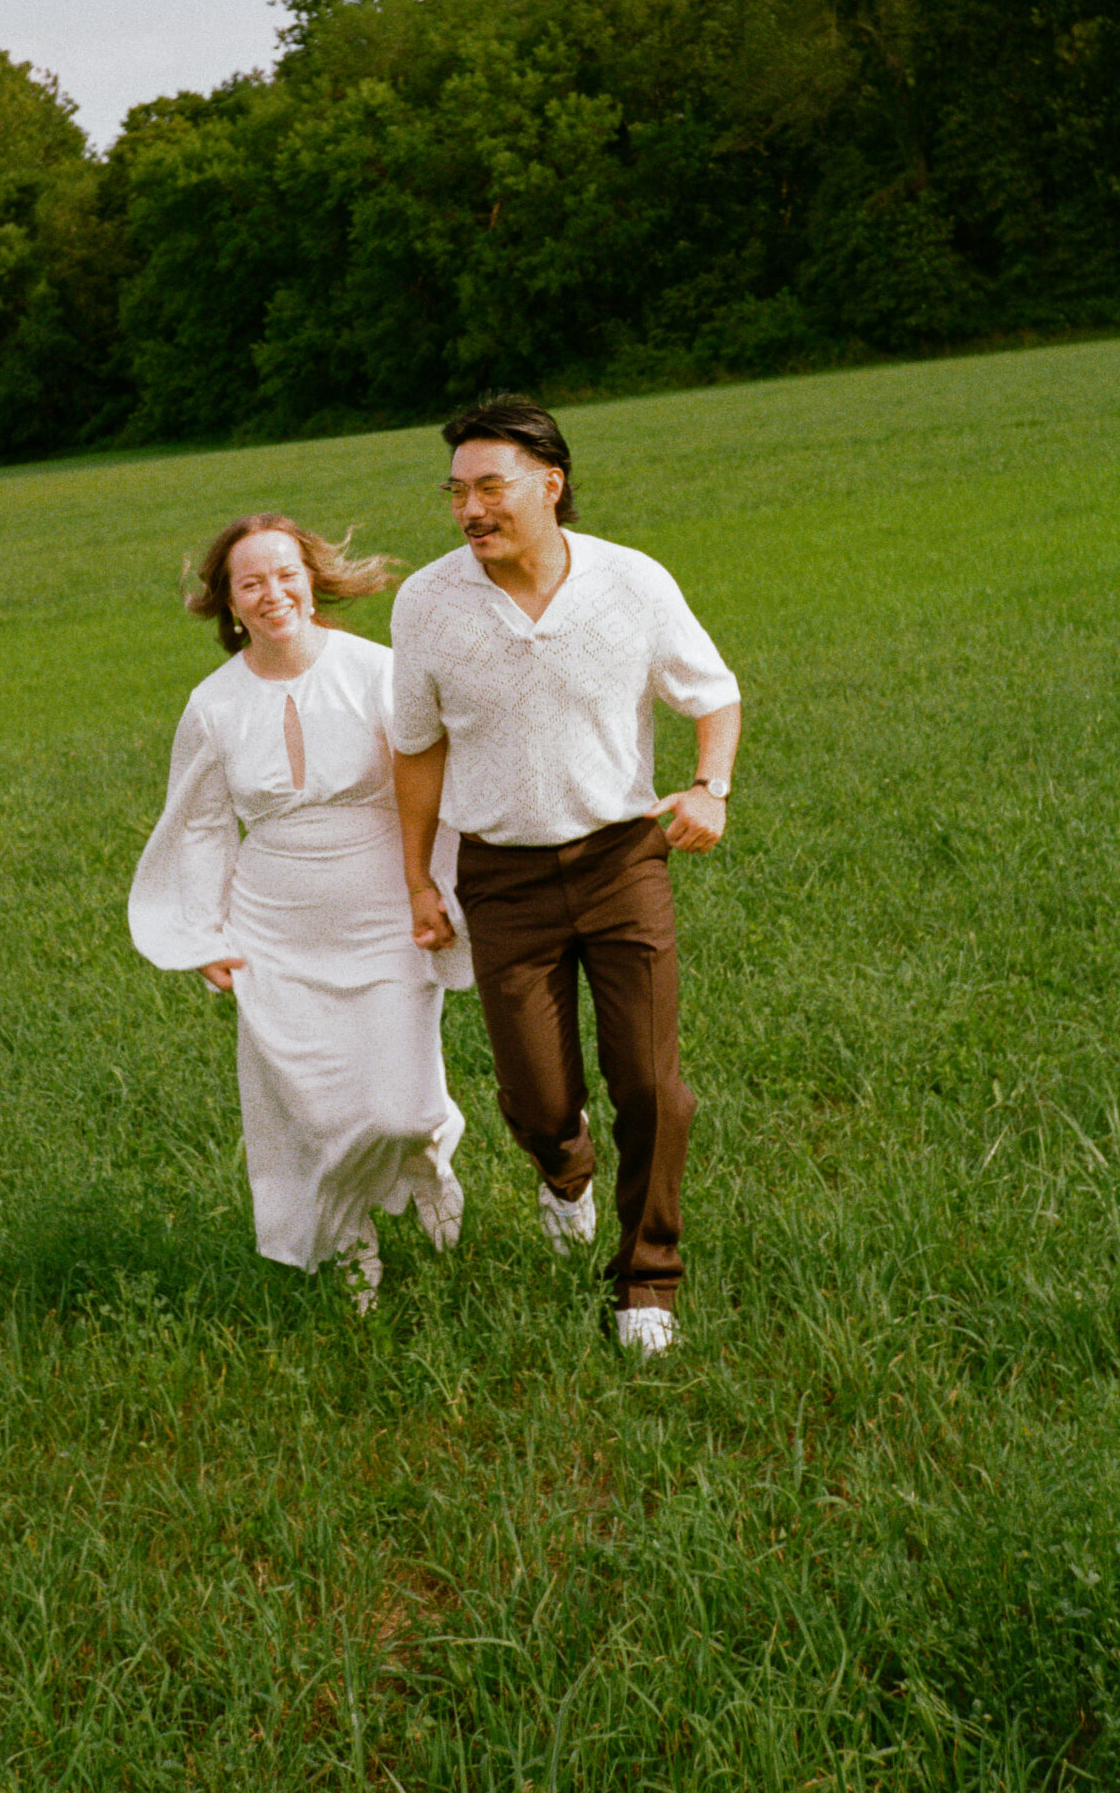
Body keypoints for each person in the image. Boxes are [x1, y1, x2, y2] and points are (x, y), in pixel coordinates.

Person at [390, 396, 741, 1355]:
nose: (470, 508)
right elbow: (415, 752)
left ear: (551, 486)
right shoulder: (426, 601)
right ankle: (566, 1171)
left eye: (489, 486)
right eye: (457, 491)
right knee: (538, 1098)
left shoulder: (632, 583)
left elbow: (714, 695)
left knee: (653, 1087)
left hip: (624, 858)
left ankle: (647, 1283)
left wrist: (710, 787)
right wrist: (421, 878)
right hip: (500, 875)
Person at [129, 514, 468, 1310]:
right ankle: (350, 1242)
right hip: (274, 932)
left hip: (386, 914)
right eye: (252, 583)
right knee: (315, 1108)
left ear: (313, 579)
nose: (273, 593)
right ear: (230, 606)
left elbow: (432, 791)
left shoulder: (377, 671)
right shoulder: (212, 704)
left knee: (399, 1107)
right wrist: (203, 933)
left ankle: (421, 1154)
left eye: (286, 574)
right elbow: (205, 824)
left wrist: (439, 888)